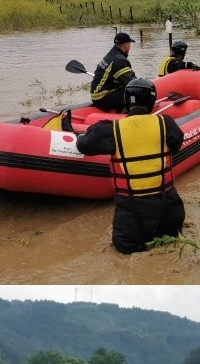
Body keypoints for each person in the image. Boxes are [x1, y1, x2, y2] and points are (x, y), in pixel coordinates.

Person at [76, 76, 186, 254]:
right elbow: (176, 145)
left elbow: (84, 145)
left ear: (126, 101)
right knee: (170, 248)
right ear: (151, 101)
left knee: (125, 254)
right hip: (169, 211)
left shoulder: (111, 130)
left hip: (132, 218)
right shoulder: (166, 124)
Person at [90, 32, 137, 113]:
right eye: (129, 44)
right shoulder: (120, 61)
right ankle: (126, 116)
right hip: (102, 97)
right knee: (134, 94)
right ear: (126, 45)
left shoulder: (112, 54)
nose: (130, 47)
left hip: (97, 95)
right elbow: (132, 83)